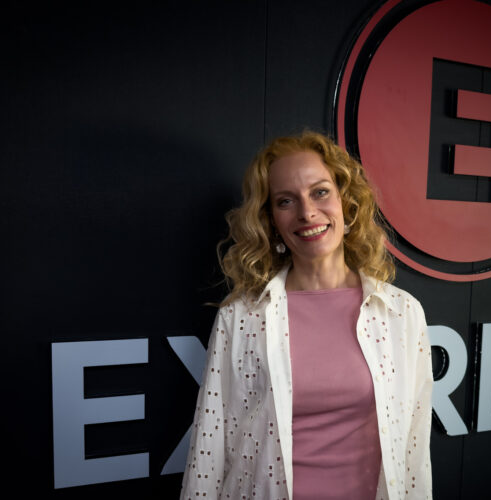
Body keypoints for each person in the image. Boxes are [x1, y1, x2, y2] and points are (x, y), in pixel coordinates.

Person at [180, 131, 433, 500]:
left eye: (320, 192)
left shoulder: (401, 312)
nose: (307, 212)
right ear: (271, 220)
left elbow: (414, 449)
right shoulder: (242, 317)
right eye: (286, 201)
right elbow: (210, 442)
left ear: (347, 203)